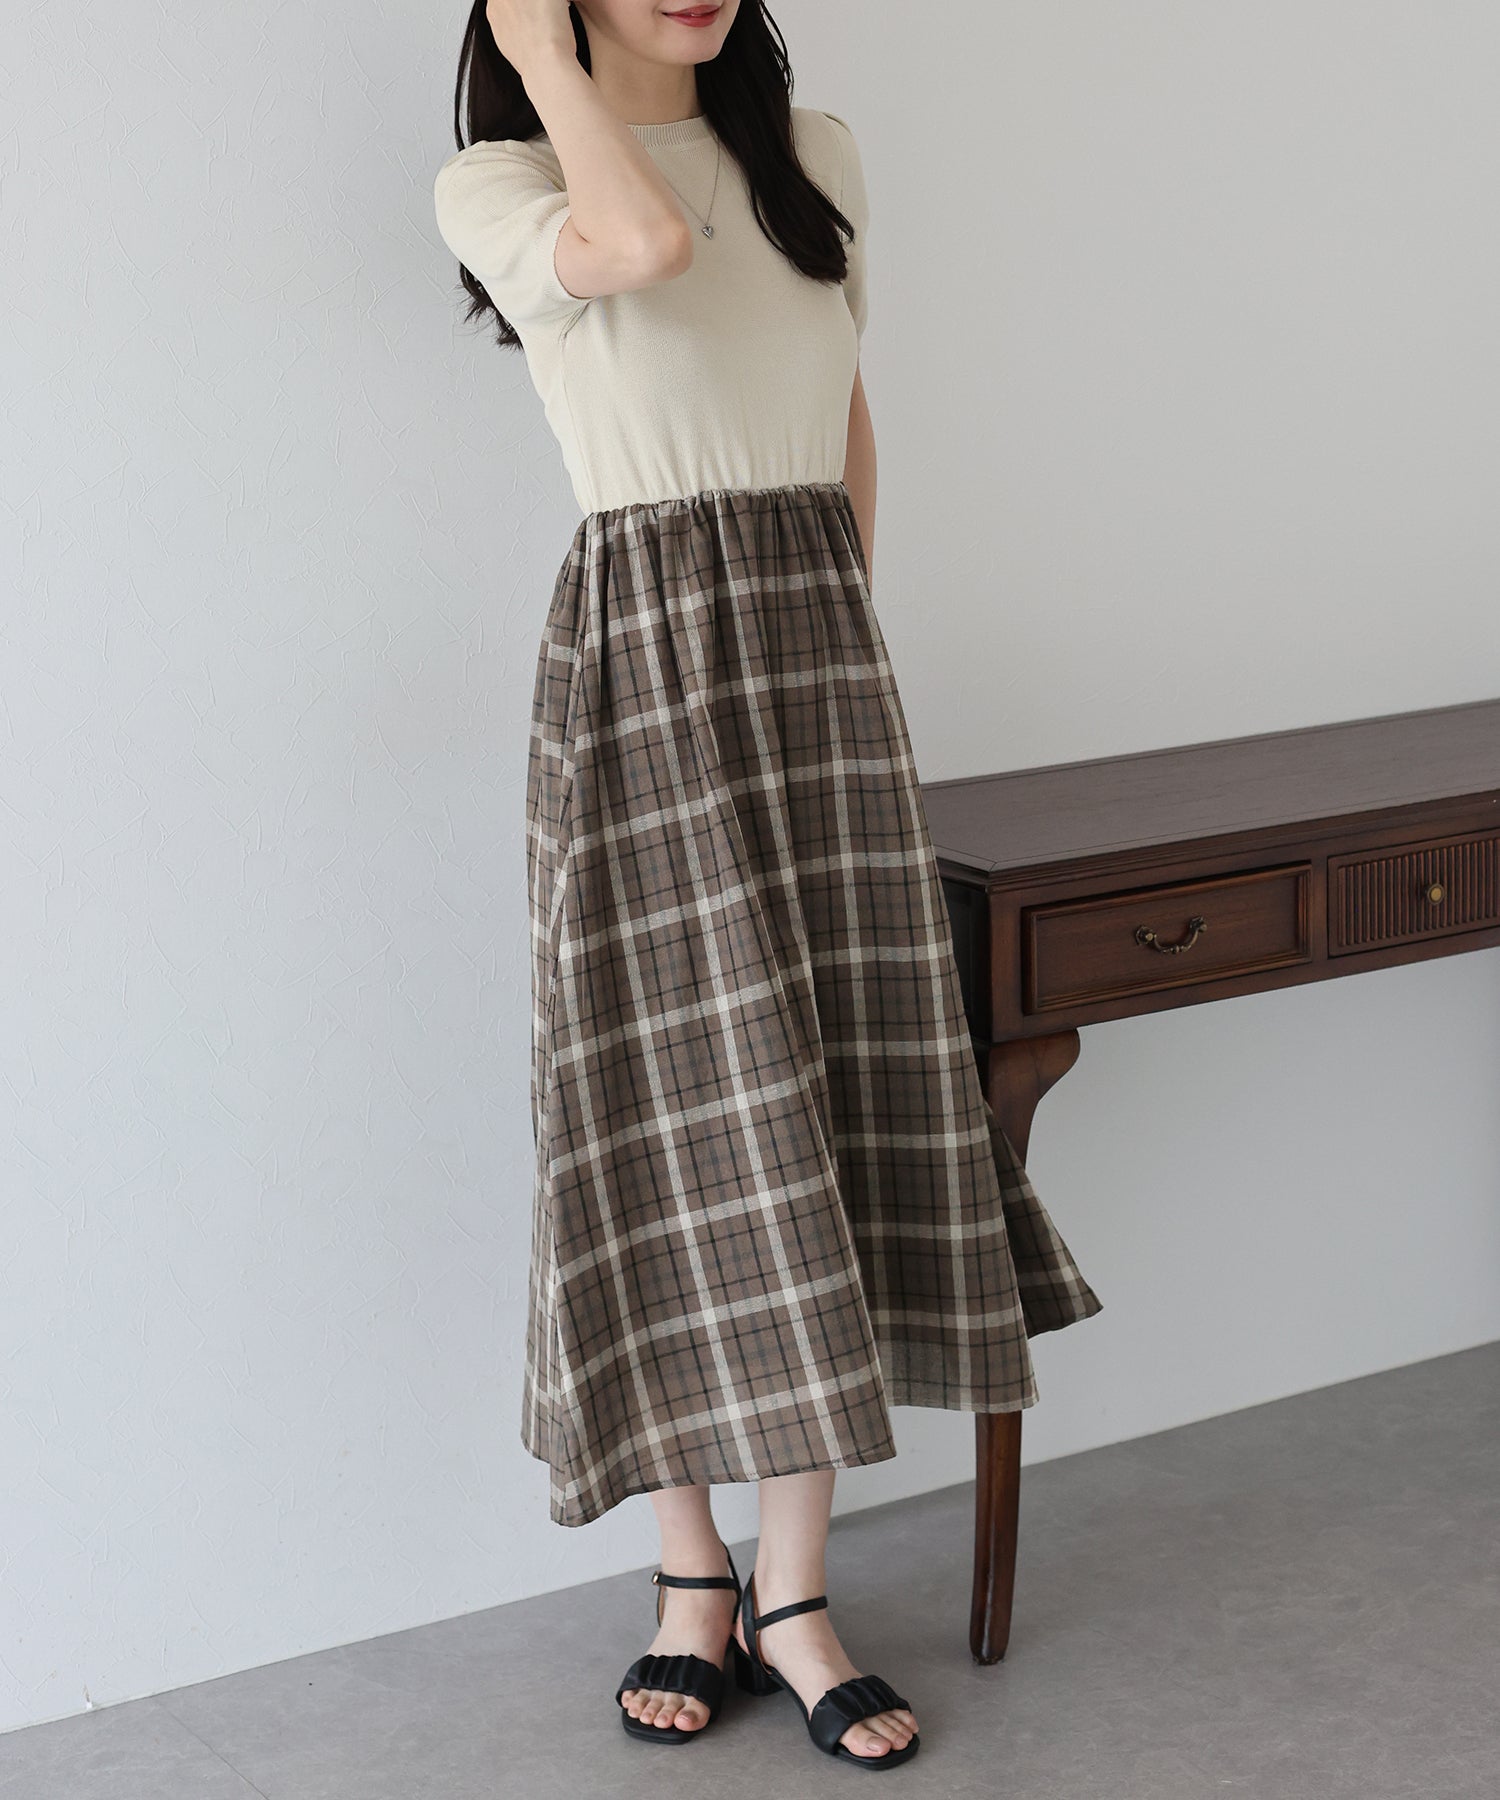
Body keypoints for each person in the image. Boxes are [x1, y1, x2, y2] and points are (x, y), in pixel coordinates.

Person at [433, 0, 1103, 1768]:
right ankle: (689, 1577)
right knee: (666, 1112)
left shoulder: (816, 160)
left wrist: (842, 647)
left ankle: (793, 1596)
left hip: (816, 663)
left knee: (834, 1098)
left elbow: (845, 410)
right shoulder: (502, 180)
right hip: (642, 673)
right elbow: (641, 246)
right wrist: (547, 60)